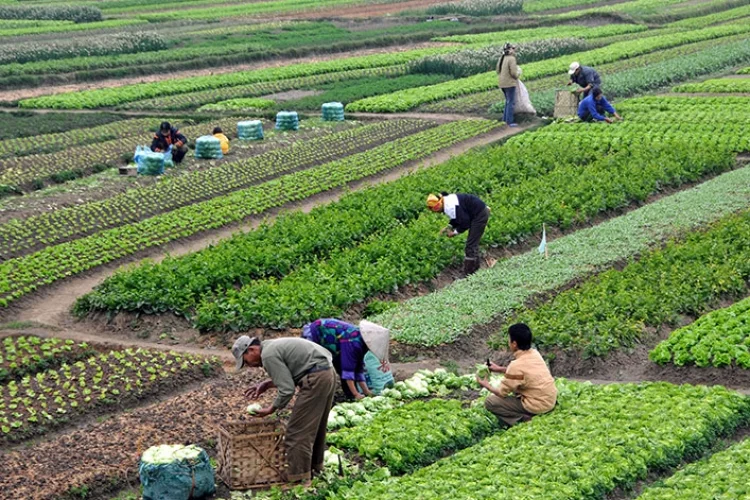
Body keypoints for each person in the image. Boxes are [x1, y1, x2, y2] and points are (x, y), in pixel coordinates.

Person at [233, 336, 335, 484]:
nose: (249, 365)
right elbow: (293, 371)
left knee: (296, 432)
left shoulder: (267, 355)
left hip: (316, 377)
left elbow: (287, 389)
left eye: (245, 360)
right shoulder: (271, 346)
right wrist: (268, 384)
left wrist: (271, 409)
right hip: (326, 373)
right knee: (316, 427)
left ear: (252, 350)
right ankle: (316, 469)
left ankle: (300, 480)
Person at [477, 323, 557, 427]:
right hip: (550, 401)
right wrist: (499, 369)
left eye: (509, 339)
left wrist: (485, 384)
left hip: (537, 406)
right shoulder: (534, 353)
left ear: (514, 344)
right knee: (517, 389)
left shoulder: (515, 366)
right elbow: (524, 373)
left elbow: (501, 393)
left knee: (490, 402)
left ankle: (523, 418)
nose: (508, 342)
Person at [302, 319, 391, 400]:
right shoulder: (353, 343)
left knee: (347, 368)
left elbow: (358, 369)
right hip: (317, 334)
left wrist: (366, 392)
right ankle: (314, 396)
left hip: (335, 344)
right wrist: (356, 394)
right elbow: (348, 369)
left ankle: (350, 395)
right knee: (319, 370)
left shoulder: (362, 344)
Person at [427, 192, 490, 276]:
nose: (436, 211)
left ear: (440, 203)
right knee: (472, 243)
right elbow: (457, 217)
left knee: (471, 244)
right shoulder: (448, 201)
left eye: (436, 208)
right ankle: (475, 268)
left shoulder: (450, 206)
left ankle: (468, 273)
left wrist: (455, 232)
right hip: (476, 212)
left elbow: (465, 222)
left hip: (479, 214)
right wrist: (449, 227)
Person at [496, 42, 520, 127]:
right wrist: (518, 74)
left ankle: (505, 120)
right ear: (509, 50)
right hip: (509, 83)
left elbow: (497, 70)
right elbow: (513, 73)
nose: (514, 50)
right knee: (510, 102)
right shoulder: (511, 59)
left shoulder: (502, 58)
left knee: (507, 101)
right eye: (513, 49)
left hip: (502, 83)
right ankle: (509, 122)